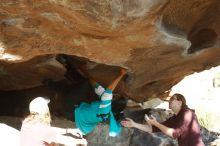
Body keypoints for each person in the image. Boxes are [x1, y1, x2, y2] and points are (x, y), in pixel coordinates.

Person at [121, 93, 205, 146]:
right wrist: (134, 124)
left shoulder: (187, 113)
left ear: (180, 102)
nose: (169, 101)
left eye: (172, 99)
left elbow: (174, 133)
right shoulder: (174, 118)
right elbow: (152, 129)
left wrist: (156, 123)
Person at [74, 66, 127, 137]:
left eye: (116, 97)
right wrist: (84, 73)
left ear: (115, 102)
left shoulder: (106, 110)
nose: (114, 94)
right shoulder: (107, 102)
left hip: (81, 120)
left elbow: (109, 91)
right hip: (84, 115)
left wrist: (121, 74)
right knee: (86, 85)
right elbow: (96, 86)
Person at [20, 97, 87, 146]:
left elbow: (49, 130)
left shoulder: (27, 122)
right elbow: (63, 139)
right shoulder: (41, 128)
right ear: (45, 109)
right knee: (55, 143)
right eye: (47, 106)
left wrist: (68, 130)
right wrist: (79, 141)